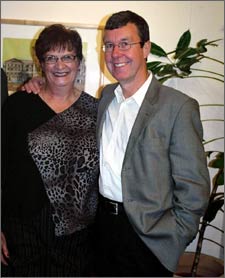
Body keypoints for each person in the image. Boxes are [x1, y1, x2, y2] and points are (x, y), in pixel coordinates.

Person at [20, 10, 210, 277]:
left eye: (125, 44)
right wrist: (38, 82)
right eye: (109, 45)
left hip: (150, 237)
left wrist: (173, 239)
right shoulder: (105, 97)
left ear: (145, 48)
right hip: (100, 230)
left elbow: (195, 189)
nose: (115, 53)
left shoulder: (177, 107)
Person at [1, 24, 99, 277]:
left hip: (77, 235)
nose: (60, 65)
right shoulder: (18, 106)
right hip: (22, 228)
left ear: (78, 62)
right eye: (51, 58)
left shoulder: (95, 112)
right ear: (41, 63)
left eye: (68, 56)